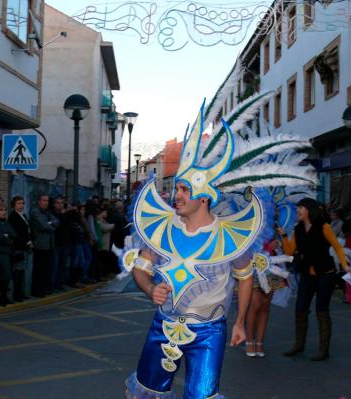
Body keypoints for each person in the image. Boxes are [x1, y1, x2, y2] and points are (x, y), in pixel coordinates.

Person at [123, 96, 315, 398]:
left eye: (184, 190)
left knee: (201, 395)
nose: (177, 196)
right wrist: (149, 289)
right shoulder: (162, 228)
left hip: (209, 331)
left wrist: (239, 322)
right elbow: (141, 268)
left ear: (203, 197)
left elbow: (245, 278)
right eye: (177, 190)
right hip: (164, 325)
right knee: (149, 392)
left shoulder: (230, 236)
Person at [280, 198, 351, 361]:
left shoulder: (323, 226)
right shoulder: (297, 229)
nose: (297, 210)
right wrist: (284, 236)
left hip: (326, 273)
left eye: (301, 207)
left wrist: (345, 265)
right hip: (307, 274)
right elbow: (290, 251)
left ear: (309, 210)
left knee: (321, 309)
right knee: (300, 308)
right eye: (298, 208)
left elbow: (337, 247)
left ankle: (323, 350)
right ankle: (299, 344)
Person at [29, 194, 58, 298]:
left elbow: (57, 221)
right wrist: (51, 226)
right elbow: (43, 225)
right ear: (39, 201)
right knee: (39, 269)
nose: (46, 202)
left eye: (47, 201)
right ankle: (37, 291)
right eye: (44, 200)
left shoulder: (47, 212)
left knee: (47, 269)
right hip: (40, 245)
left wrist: (49, 223)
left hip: (49, 244)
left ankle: (44, 289)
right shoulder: (35, 212)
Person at [8, 196, 32, 302]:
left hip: (25, 247)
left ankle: (21, 292)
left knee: (22, 271)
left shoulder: (23, 215)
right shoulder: (12, 216)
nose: (21, 205)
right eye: (19, 203)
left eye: (22, 203)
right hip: (18, 248)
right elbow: (16, 234)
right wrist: (27, 242)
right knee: (17, 272)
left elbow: (27, 231)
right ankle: (16, 294)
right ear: (14, 205)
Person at [50, 196, 68, 292]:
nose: (60, 204)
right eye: (58, 203)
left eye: (61, 203)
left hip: (64, 243)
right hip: (56, 243)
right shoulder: (52, 214)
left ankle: (60, 284)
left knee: (62, 265)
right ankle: (53, 285)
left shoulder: (64, 214)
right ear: (54, 204)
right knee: (55, 266)